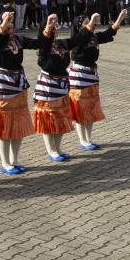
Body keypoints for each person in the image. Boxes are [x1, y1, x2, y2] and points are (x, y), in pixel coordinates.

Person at [0, 11, 38, 175]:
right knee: (4, 127)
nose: (10, 24)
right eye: (6, 22)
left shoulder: (18, 40)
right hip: (2, 87)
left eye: (11, 22)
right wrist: (3, 26)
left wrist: (48, 28)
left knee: (17, 124)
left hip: (18, 85)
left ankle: (14, 160)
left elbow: (39, 43)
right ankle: (5, 162)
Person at [68, 9, 128, 151]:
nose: (90, 24)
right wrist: (92, 22)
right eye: (86, 23)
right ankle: (83, 140)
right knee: (81, 110)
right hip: (79, 77)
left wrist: (120, 18)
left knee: (90, 108)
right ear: (79, 27)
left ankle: (88, 139)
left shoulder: (94, 37)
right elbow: (82, 39)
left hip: (91, 76)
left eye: (90, 22)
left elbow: (109, 32)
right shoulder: (76, 41)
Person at [33, 14, 77, 163]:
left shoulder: (61, 44)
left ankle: (58, 148)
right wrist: (47, 29)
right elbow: (43, 54)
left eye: (57, 26)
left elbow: (79, 39)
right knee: (48, 120)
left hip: (62, 87)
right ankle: (51, 150)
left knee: (61, 119)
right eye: (53, 26)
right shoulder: (44, 46)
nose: (56, 28)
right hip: (48, 88)